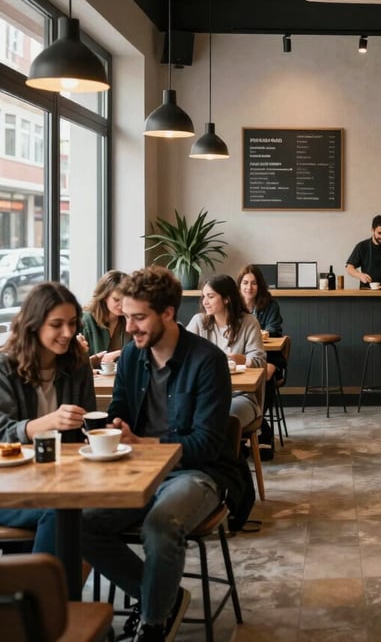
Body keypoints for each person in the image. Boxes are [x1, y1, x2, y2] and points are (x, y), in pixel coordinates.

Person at [81, 266, 241, 642]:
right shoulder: (133, 358)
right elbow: (120, 406)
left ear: (168, 313)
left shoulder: (208, 362)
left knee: (161, 524)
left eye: (139, 318)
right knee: (79, 523)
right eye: (127, 317)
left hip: (196, 474)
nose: (130, 327)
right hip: (137, 471)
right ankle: (160, 598)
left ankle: (153, 625)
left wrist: (143, 444)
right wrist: (113, 427)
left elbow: (207, 445)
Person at [0, 282, 95, 554]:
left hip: (60, 483)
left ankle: (43, 594)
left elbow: (86, 428)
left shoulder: (77, 365)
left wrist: (102, 430)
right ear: (34, 324)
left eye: (73, 323)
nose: (68, 333)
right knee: (62, 513)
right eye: (57, 324)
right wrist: (45, 423)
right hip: (9, 486)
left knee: (78, 513)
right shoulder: (5, 367)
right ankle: (45, 595)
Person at [186, 274, 266, 427]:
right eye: (203, 297)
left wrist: (240, 359)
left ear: (226, 299)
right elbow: (183, 355)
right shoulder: (199, 321)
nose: (205, 302)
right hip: (204, 395)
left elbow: (260, 361)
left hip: (240, 396)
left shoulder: (249, 322)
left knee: (218, 418)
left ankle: (230, 450)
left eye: (210, 296)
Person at [237, 263, 284, 383]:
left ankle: (264, 402)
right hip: (239, 353)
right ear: (239, 285)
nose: (249, 287)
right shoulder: (233, 306)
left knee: (263, 374)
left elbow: (273, 331)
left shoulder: (271, 305)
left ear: (260, 286)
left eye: (254, 283)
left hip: (268, 354)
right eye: (245, 283)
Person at [79, 269, 130, 369]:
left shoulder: (128, 321)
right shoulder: (85, 321)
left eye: (126, 299)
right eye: (116, 299)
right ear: (104, 296)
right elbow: (74, 365)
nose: (122, 305)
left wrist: (120, 353)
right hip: (95, 382)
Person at [345, 214, 381, 288]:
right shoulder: (362, 246)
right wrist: (360, 275)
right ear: (372, 230)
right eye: (379, 233)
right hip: (366, 290)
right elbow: (349, 268)